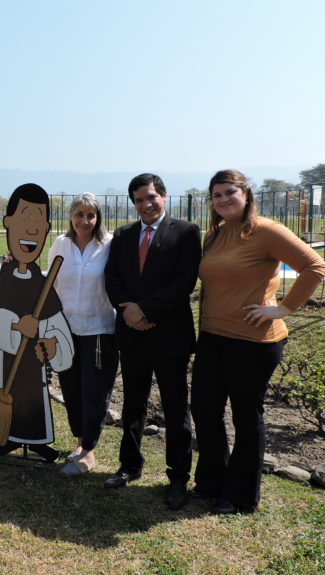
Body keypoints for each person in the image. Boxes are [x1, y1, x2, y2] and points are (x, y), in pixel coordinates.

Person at [191, 169, 325, 514]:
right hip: (212, 337)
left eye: (229, 193)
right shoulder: (216, 233)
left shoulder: (266, 230)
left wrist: (282, 308)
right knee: (205, 411)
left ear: (246, 194)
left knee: (245, 417)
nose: (222, 200)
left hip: (252, 342)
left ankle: (239, 496)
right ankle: (210, 483)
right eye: (216, 195)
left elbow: (314, 267)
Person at [103, 173, 201, 509]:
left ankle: (177, 478)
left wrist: (143, 310)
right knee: (133, 404)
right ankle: (129, 466)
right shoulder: (124, 234)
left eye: (150, 198)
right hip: (132, 336)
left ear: (163, 196)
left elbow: (183, 282)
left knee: (176, 409)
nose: (145, 205)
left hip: (169, 335)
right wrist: (129, 312)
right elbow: (112, 277)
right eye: (138, 200)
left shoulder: (186, 233)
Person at [0, 183, 74, 461]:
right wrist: (14, 326)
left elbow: (57, 325)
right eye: (25, 218)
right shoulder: (3, 279)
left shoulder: (42, 284)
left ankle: (36, 441)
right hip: (8, 359)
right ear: (9, 223)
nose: (32, 228)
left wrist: (51, 344)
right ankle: (7, 437)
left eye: (38, 221)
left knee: (36, 399)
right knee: (8, 391)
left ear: (46, 228)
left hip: (35, 365)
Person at [47, 193, 118, 477]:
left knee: (95, 392)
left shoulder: (109, 244)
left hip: (99, 330)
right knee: (72, 389)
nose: (85, 221)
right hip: (66, 330)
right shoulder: (61, 245)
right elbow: (50, 283)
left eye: (91, 215)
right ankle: (80, 443)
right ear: (70, 217)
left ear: (98, 218)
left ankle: (89, 452)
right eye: (79, 214)